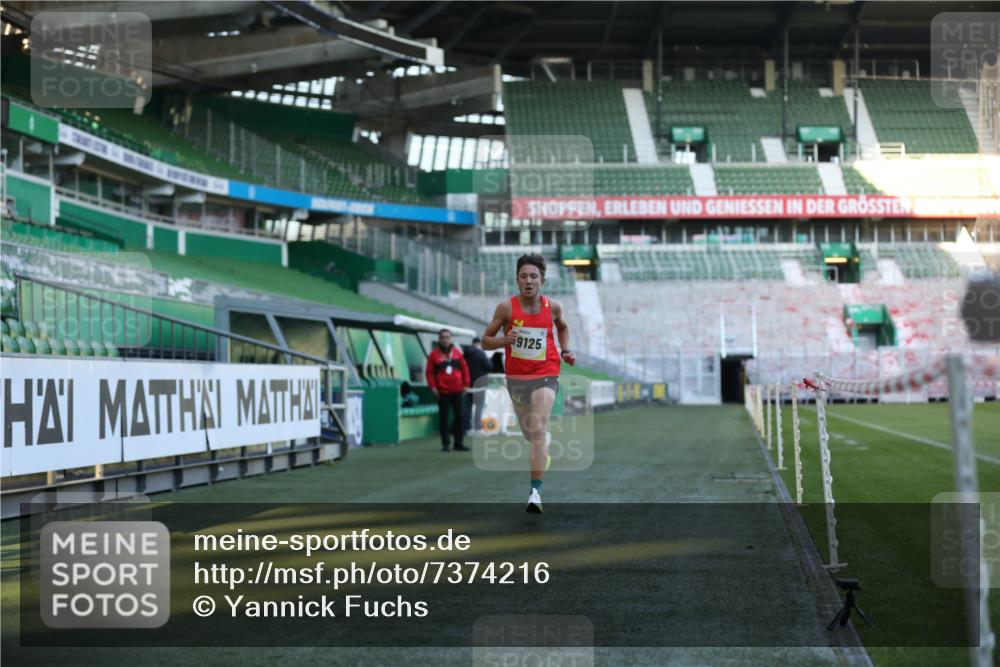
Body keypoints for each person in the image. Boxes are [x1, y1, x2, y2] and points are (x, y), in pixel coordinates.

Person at [482, 253, 574, 513]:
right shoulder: (506, 308)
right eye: (523, 276)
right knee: (530, 434)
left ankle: (535, 493)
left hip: (546, 372)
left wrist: (566, 351)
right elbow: (485, 341)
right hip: (517, 377)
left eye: (533, 276)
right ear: (517, 280)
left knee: (536, 425)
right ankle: (542, 442)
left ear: (542, 280)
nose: (528, 281)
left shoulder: (553, 307)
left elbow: (563, 328)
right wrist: (504, 340)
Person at [425, 329, 470, 451]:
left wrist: (466, 384)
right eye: (443, 337)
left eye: (447, 337)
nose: (445, 340)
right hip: (442, 392)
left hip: (458, 390)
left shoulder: (457, 353)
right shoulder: (434, 355)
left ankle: (458, 443)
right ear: (439, 339)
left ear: (450, 339)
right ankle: (446, 444)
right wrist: (432, 387)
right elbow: (429, 373)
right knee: (444, 419)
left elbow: (465, 369)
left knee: (460, 417)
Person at [463, 337, 492, 434]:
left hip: (467, 385)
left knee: (467, 407)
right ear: (479, 344)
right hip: (479, 385)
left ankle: (467, 428)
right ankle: (478, 427)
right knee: (479, 406)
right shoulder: (481, 353)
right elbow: (489, 366)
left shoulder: (465, 354)